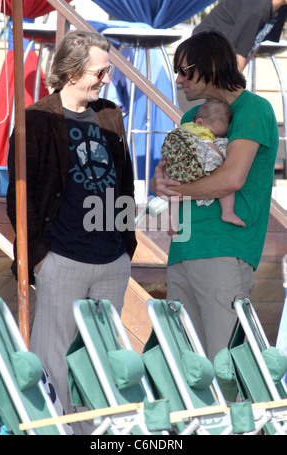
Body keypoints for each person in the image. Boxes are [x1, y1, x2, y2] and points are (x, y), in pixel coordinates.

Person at [6, 30, 137, 433]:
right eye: (100, 71)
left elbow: (125, 182)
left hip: (110, 260)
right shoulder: (36, 119)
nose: (106, 77)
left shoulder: (111, 114)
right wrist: (41, 257)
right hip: (61, 258)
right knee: (54, 363)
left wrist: (125, 245)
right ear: (72, 71)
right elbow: (20, 197)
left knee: (103, 361)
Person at [150, 31, 279, 361]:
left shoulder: (254, 109)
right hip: (183, 250)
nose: (178, 79)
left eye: (184, 70)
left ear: (207, 66)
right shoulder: (191, 118)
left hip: (226, 252)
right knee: (186, 369)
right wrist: (158, 183)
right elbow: (170, 172)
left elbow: (231, 179)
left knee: (225, 367)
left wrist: (177, 190)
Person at [161, 98, 245, 235]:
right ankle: (228, 212)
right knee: (226, 182)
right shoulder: (200, 131)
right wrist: (222, 157)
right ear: (200, 122)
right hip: (193, 166)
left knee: (174, 191)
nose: (214, 136)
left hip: (176, 168)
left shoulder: (184, 127)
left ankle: (172, 220)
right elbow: (209, 147)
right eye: (215, 134)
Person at [193, 0, 287, 71]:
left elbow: (257, 41)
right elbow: (238, 52)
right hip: (205, 46)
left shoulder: (280, 9)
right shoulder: (257, 8)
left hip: (229, 51)